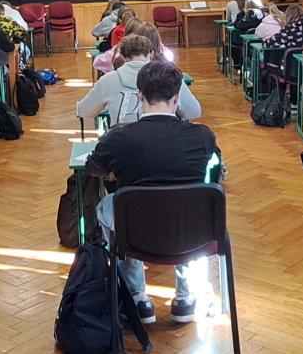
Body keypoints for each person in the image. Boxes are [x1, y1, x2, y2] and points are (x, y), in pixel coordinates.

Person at [89, 58, 221, 324]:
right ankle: (186, 297)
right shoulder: (203, 136)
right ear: (177, 98)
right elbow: (217, 168)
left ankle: (137, 297)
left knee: (107, 206)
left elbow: (94, 167)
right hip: (191, 232)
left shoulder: (119, 138)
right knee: (190, 205)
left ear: (140, 96)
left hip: (136, 233)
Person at [78, 34, 203, 128]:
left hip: (123, 144)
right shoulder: (169, 76)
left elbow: (84, 111)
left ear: (123, 56)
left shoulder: (108, 80)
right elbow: (193, 112)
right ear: (151, 54)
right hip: (163, 140)